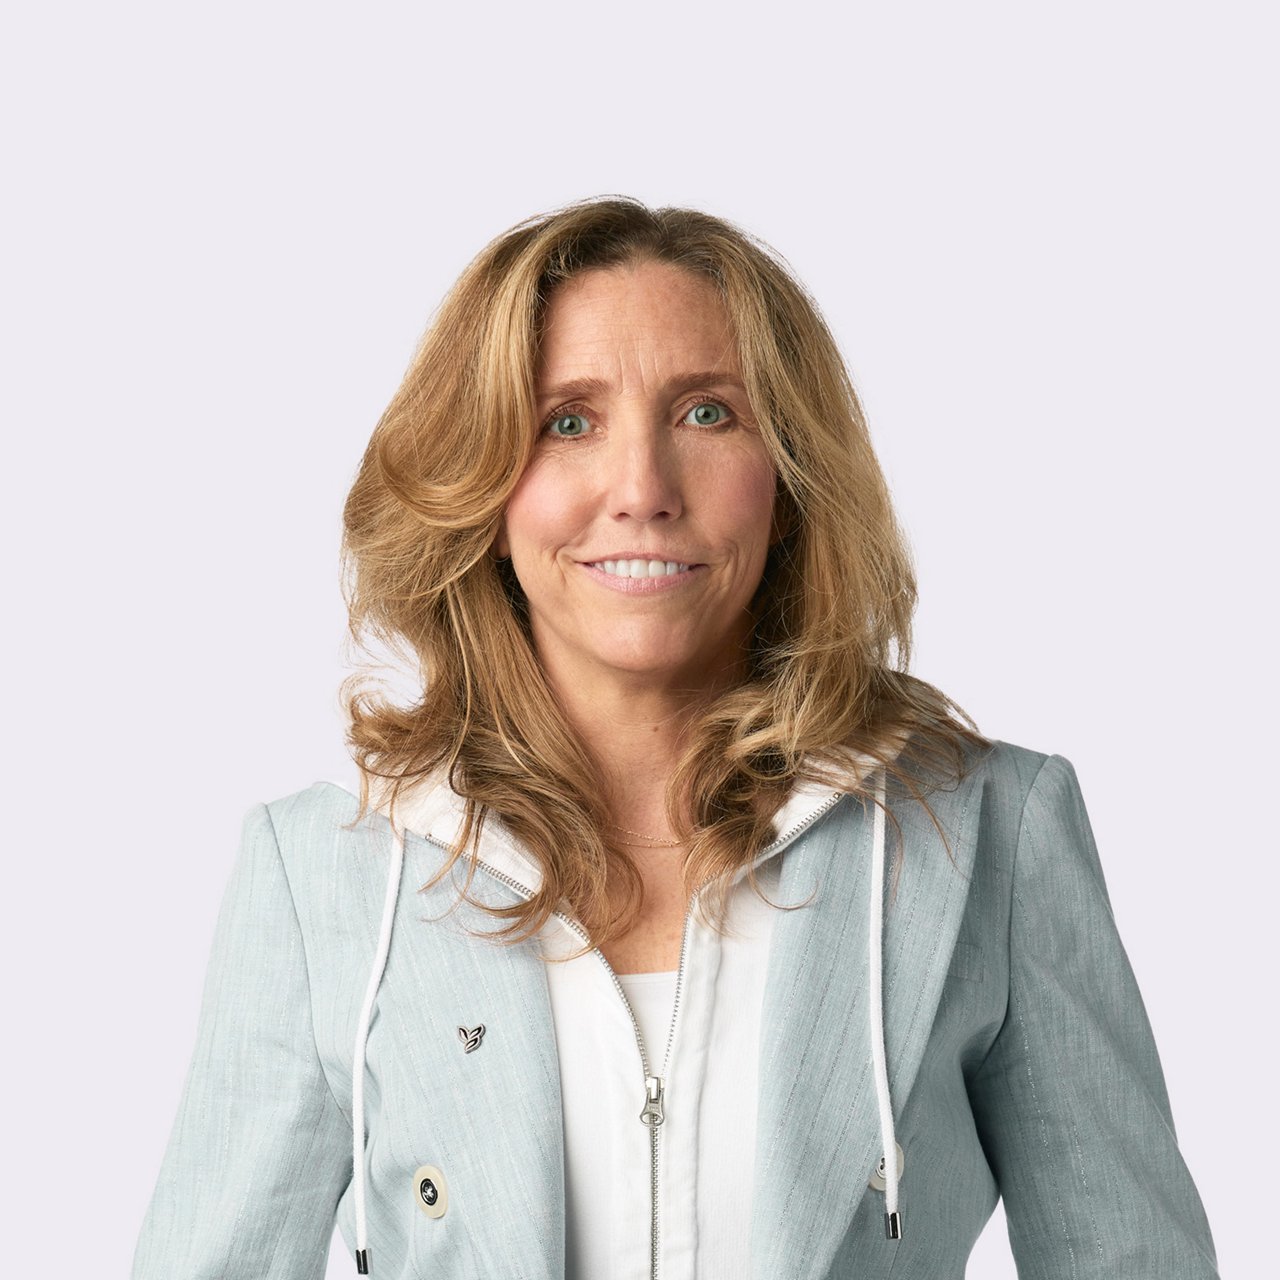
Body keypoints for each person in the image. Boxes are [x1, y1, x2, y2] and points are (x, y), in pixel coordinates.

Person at [130, 197, 1219, 1279]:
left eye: (706, 413)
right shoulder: (321, 873)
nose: (642, 490)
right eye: (567, 421)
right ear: (482, 491)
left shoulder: (987, 834)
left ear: (789, 479)